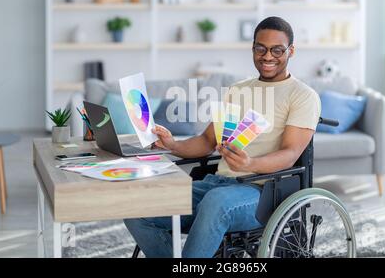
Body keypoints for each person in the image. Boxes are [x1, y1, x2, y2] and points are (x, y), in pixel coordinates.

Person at [124, 16, 321, 258]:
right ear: (253, 49)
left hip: (262, 192)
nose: (267, 56)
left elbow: (290, 154)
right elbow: (207, 141)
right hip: (216, 184)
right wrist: (173, 145)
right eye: (260, 48)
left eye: (277, 50)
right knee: (136, 207)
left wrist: (250, 164)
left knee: (215, 202)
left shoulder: (302, 95)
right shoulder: (238, 90)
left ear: (291, 51)